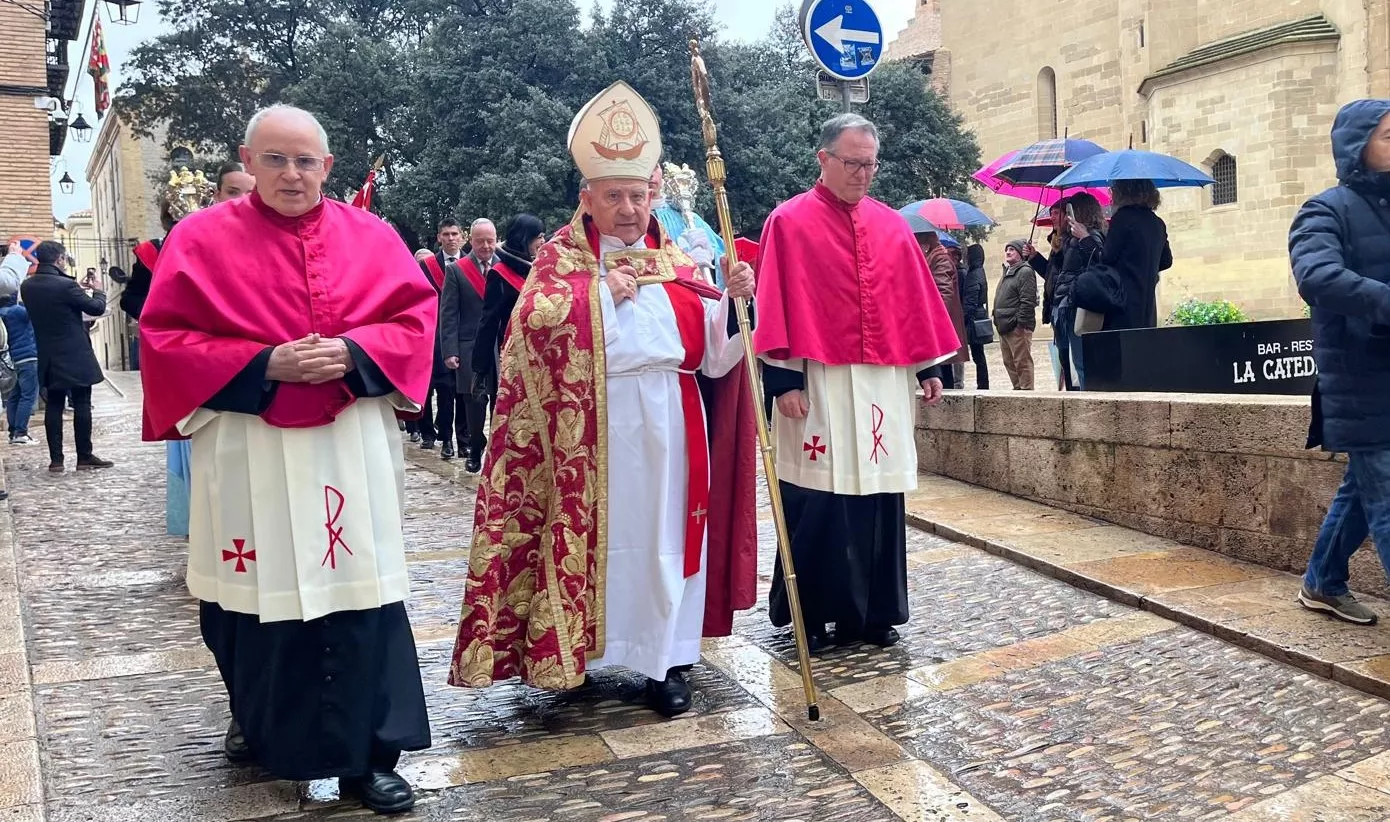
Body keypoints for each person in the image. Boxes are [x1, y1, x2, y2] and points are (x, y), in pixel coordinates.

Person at [138, 104, 435, 814]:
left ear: (327, 167)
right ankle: (265, 725)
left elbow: (414, 320)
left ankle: (370, 758)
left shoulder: (373, 236)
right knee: (255, 601)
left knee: (361, 597)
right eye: (275, 159)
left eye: (305, 161)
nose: (292, 174)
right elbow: (164, 337)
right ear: (250, 160)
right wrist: (264, 363)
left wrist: (354, 353)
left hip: (348, 442)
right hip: (250, 442)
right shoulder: (200, 238)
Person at [451, 81, 760, 718]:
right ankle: (580, 655)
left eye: (637, 195)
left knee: (668, 541)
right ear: (586, 198)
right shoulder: (561, 262)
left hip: (674, 419)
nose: (627, 208)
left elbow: (717, 354)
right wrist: (598, 298)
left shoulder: (677, 259)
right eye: (613, 196)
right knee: (600, 541)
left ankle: (667, 660)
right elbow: (530, 333)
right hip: (591, 429)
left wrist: (734, 298)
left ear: (652, 197)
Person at [754, 114, 958, 651]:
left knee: (879, 494)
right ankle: (814, 613)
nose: (864, 174)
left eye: (871, 164)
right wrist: (782, 380)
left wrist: (929, 368)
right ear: (823, 160)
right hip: (816, 380)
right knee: (819, 494)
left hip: (885, 383)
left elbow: (913, 302)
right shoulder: (789, 222)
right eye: (853, 163)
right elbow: (775, 302)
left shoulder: (892, 225)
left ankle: (874, 613)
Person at [1291, 99, 1390, 626]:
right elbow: (1316, 276)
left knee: (1361, 491)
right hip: (1362, 379)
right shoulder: (1324, 209)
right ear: (1358, 146)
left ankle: (1322, 582)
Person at [122, 165, 221, 536]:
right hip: (179, 351)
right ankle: (196, 511)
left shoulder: (224, 242)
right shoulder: (152, 252)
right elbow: (130, 298)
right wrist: (162, 310)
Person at [20, 241, 113, 473]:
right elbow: (96, 308)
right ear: (60, 259)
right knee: (82, 403)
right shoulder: (65, 286)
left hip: (48, 354)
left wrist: (75, 288)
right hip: (75, 353)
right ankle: (84, 456)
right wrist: (99, 289)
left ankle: (56, 460)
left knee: (54, 404)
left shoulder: (27, 286)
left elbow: (56, 301)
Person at [438, 218, 496, 470]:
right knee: (474, 402)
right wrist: (449, 350)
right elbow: (448, 313)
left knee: (501, 400)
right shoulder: (457, 270)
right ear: (470, 240)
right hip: (469, 347)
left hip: (499, 346)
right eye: (480, 241)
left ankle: (498, 449)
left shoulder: (505, 266)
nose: (485, 246)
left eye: (490, 241)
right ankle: (475, 444)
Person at [471, 213, 544, 408]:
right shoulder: (500, 274)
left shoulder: (541, 268)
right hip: (516, 358)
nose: (543, 241)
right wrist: (480, 370)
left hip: (543, 356)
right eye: (539, 236)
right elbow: (488, 322)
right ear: (524, 238)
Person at [410, 218, 467, 450]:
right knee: (437, 386)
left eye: (455, 234)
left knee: (462, 391)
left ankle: (457, 439)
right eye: (446, 234)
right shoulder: (427, 266)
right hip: (434, 337)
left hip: (465, 335)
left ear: (462, 236)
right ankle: (433, 434)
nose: (451, 239)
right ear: (439, 238)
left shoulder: (472, 264)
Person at [1094, 179, 1172, 330]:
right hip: (1148, 303)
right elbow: (1166, 261)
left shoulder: (1122, 218)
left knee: (1120, 350)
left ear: (1124, 192)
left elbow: (1107, 257)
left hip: (1122, 301)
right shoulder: (1157, 222)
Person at [1054, 193, 1106, 389]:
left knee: (1082, 363)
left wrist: (1084, 238)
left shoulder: (1092, 235)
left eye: (1070, 210)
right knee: (1073, 362)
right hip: (1065, 304)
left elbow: (1099, 263)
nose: (1067, 216)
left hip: (1077, 305)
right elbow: (1064, 271)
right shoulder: (1072, 238)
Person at [651, 163, 726, 286]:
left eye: (654, 167)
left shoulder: (692, 219)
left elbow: (723, 261)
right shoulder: (628, 222)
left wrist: (709, 259)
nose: (650, 174)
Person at [920, 231, 968, 389]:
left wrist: (931, 318)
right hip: (940, 325)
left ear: (926, 244)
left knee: (944, 377)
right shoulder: (934, 257)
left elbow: (944, 293)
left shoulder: (940, 258)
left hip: (940, 327)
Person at [994, 240, 1038, 390]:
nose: (1008, 252)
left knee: (1022, 362)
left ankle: (1027, 393)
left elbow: (1028, 300)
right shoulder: (1007, 271)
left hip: (1016, 327)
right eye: (1007, 249)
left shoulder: (1024, 271)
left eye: (1012, 249)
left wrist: (1020, 324)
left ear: (1020, 253)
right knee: (1009, 362)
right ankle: (1018, 390)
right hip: (1004, 326)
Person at [0, 293, 38, 443]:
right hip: (28, 356)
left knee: (14, 396)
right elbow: (36, 311)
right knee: (28, 396)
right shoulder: (18, 311)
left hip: (12, 359)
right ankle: (21, 433)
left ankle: (13, 432)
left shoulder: (2, 314)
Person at [962, 243, 990, 389]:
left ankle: (983, 384)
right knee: (979, 355)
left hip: (973, 319)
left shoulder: (974, 274)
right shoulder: (980, 271)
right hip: (978, 315)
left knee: (978, 355)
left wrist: (964, 317)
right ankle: (983, 384)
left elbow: (971, 300)